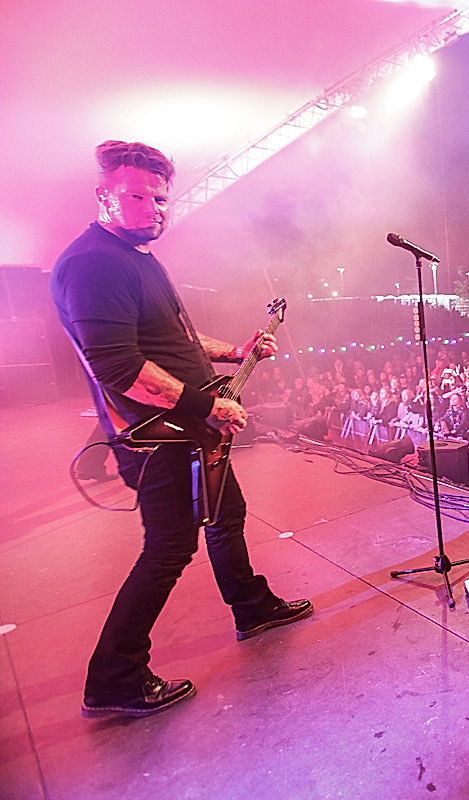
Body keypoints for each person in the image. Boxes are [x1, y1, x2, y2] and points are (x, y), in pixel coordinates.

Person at [51, 141, 312, 719]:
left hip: (187, 427)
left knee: (226, 515)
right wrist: (206, 404)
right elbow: (119, 366)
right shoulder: (95, 264)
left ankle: (251, 606)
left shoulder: (133, 256)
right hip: (158, 436)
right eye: (137, 197)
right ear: (104, 197)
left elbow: (176, 343)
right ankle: (114, 675)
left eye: (161, 199)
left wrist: (233, 353)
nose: (154, 209)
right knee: (169, 548)